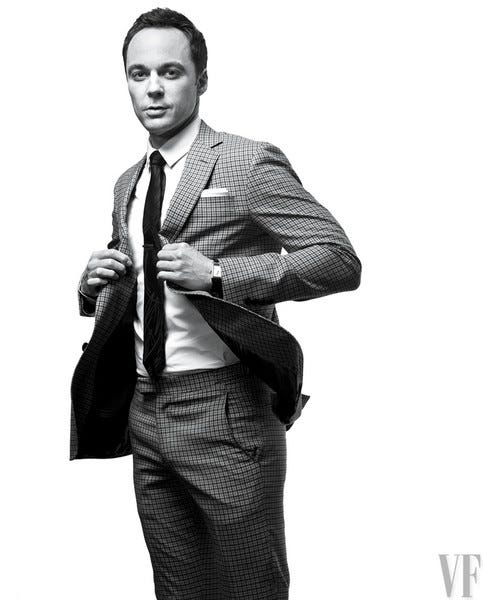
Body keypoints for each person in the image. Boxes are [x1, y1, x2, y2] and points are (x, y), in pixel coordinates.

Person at [70, 7, 361, 599]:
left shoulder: (247, 162)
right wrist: (93, 285)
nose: (153, 88)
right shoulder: (128, 182)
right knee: (178, 589)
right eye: (139, 74)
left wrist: (221, 275)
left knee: (252, 587)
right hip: (146, 409)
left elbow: (338, 260)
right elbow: (140, 284)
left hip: (227, 411)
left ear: (201, 79)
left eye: (171, 72)